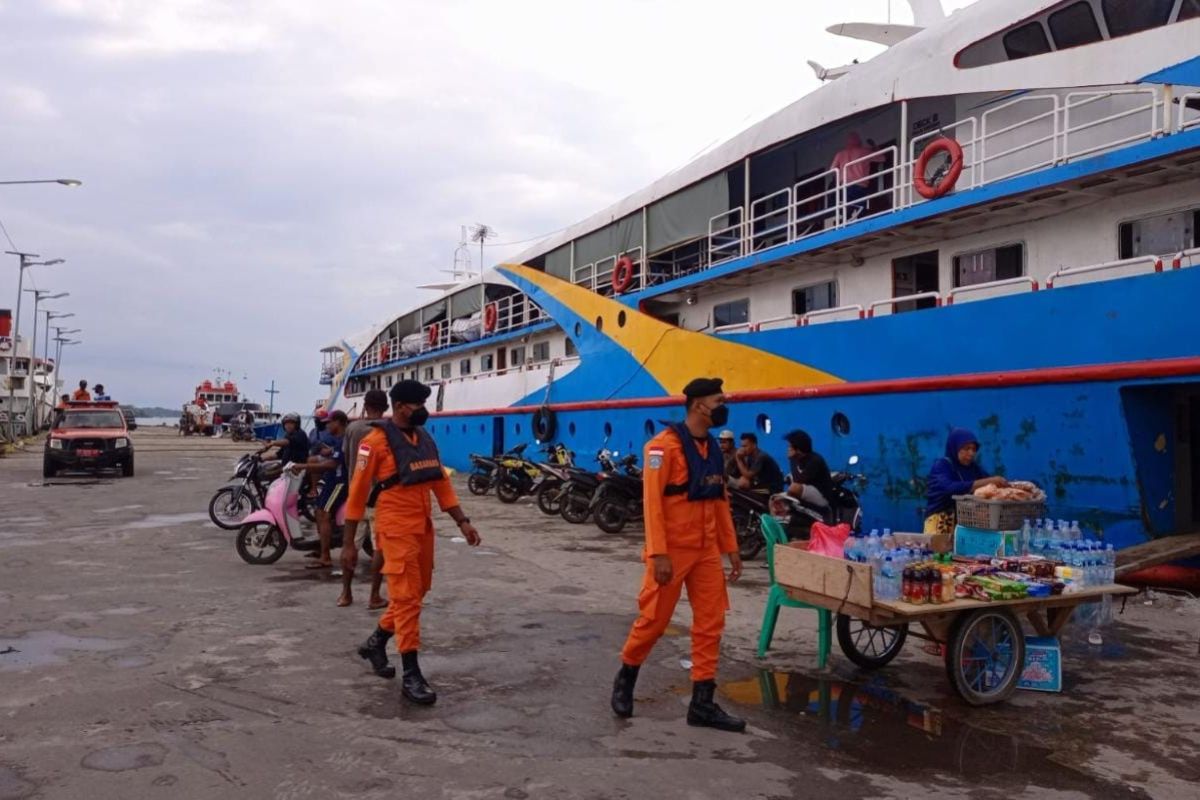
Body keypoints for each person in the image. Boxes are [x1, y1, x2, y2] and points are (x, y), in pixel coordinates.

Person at [611, 376, 745, 733]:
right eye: (719, 401)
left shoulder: (714, 449)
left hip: (705, 552)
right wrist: (658, 554)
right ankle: (626, 677)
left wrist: (730, 548)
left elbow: (719, 500)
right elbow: (651, 504)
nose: (724, 407)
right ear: (699, 405)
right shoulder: (662, 448)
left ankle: (702, 703)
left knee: (711, 623)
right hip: (671, 552)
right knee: (653, 620)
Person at [344, 380, 481, 705]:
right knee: (406, 599)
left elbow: (440, 484)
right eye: (419, 404)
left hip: (422, 527)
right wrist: (349, 543)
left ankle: (376, 642)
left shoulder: (425, 440)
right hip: (394, 528)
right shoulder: (373, 443)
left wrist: (462, 522)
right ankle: (412, 674)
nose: (424, 410)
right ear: (402, 406)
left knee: (416, 593)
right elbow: (357, 494)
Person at [338, 390, 389, 609]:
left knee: (350, 546)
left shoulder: (352, 429)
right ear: (386, 407)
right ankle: (374, 596)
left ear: (365, 405)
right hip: (381, 498)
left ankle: (345, 594)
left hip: (356, 495)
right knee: (380, 548)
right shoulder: (388, 430)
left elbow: (348, 460)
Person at [291, 409, 349, 569]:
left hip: (339, 483)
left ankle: (326, 557)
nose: (327, 425)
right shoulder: (338, 441)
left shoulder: (343, 440)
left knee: (323, 514)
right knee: (318, 511)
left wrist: (304, 466)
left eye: (329, 422)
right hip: (331, 481)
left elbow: (332, 464)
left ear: (338, 422)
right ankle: (321, 548)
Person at [924, 428, 1007, 534]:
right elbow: (949, 488)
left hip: (964, 527)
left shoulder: (974, 469)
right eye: (966, 449)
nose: (971, 453)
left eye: (973, 449)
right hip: (940, 525)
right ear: (955, 447)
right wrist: (988, 481)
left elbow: (992, 485)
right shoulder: (942, 466)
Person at [829, 132, 884, 219]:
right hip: (861, 184)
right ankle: (860, 220)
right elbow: (882, 158)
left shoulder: (840, 154)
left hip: (846, 185)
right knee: (861, 209)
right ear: (859, 142)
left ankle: (846, 221)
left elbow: (832, 169)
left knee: (848, 208)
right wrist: (874, 146)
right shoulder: (865, 151)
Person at [782, 429, 834, 511]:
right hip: (807, 491)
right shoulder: (795, 459)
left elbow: (799, 482)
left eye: (790, 446)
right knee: (775, 499)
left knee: (794, 488)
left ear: (798, 449)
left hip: (822, 496)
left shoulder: (815, 460)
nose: (788, 449)